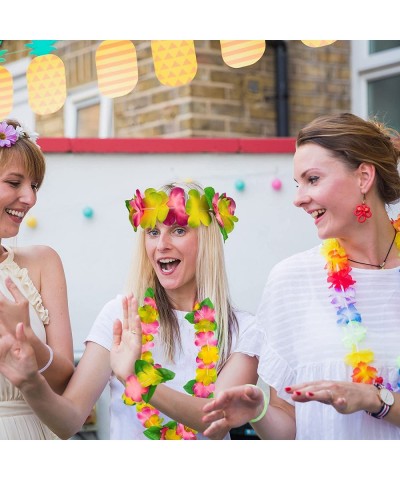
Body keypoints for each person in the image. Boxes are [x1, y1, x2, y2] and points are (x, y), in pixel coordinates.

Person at [0, 181, 259, 439]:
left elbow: (217, 421)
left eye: (179, 230)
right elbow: (68, 421)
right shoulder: (120, 316)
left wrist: (136, 381)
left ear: (207, 241)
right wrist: (30, 382)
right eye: (153, 232)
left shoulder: (241, 329)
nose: (162, 245)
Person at [202, 112, 400, 440]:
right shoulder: (291, 280)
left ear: (364, 177)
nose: (298, 198)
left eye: (313, 179)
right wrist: (259, 412)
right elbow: (289, 424)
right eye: (298, 184)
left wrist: (373, 399)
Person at [0, 119, 74, 439]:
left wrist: (27, 336)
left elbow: (63, 380)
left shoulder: (44, 262)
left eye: (34, 186)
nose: (29, 198)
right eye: (15, 182)